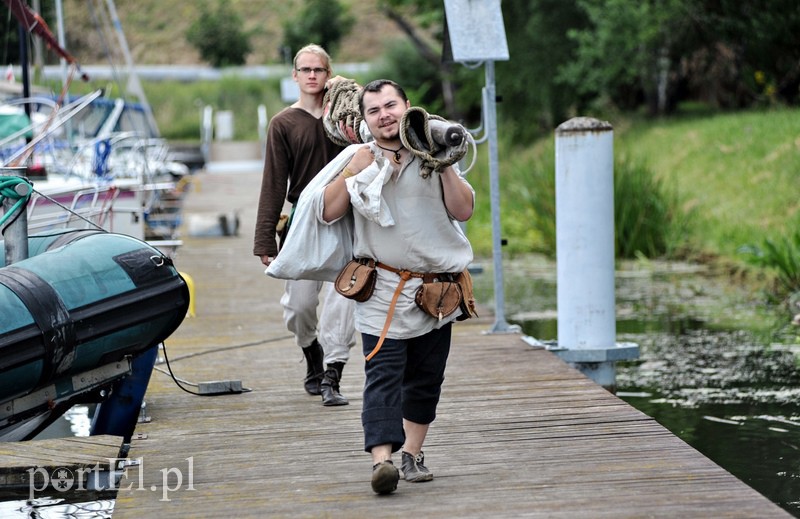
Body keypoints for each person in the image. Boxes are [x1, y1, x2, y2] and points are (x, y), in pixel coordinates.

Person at [320, 79, 475, 494]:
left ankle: (411, 453)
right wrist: (353, 172)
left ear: (407, 106)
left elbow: (464, 209)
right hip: (381, 287)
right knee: (383, 375)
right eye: (375, 110)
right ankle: (382, 462)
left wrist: (444, 165)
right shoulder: (359, 157)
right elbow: (329, 212)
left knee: (426, 378)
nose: (385, 114)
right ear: (366, 120)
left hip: (437, 290)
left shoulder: (434, 150)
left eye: (391, 105)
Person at [254, 44, 356, 407]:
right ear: (294, 76)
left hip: (348, 219)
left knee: (344, 299)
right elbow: (274, 184)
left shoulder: (348, 123)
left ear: (329, 75)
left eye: (319, 69)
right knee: (299, 306)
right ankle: (310, 349)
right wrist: (265, 238)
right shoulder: (283, 123)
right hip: (302, 221)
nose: (312, 75)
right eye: (305, 69)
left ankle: (333, 374)